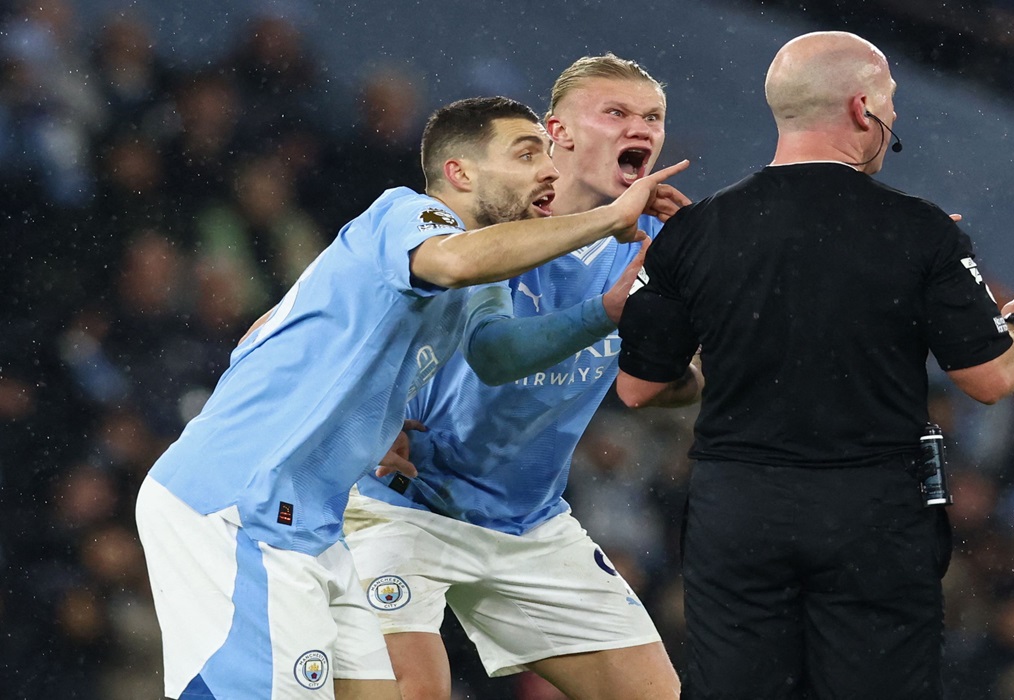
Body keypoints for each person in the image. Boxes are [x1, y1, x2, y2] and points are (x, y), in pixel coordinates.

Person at [135, 95, 688, 700]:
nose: (549, 170)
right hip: (240, 501)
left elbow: (497, 354)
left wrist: (602, 313)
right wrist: (608, 219)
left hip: (313, 518)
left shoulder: (473, 276)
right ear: (460, 173)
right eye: (527, 154)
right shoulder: (409, 215)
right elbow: (450, 262)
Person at [614, 31, 1014, 700]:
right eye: (891, 103)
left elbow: (640, 387)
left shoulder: (698, 232)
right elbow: (991, 380)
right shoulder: (920, 230)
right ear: (863, 109)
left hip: (739, 509)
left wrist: (723, 334)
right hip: (871, 513)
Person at [343, 55, 685, 700]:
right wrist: (356, 417)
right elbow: (491, 353)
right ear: (558, 132)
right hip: (403, 505)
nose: (638, 128)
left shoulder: (654, 248)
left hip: (529, 522)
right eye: (615, 113)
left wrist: (688, 345)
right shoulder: (488, 221)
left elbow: (659, 387)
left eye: (652, 117)